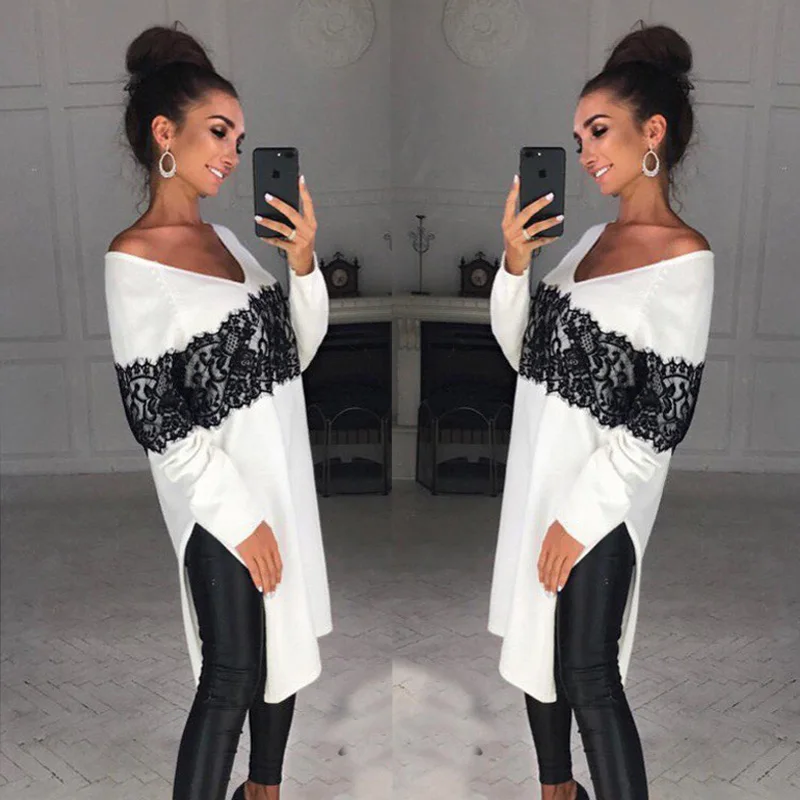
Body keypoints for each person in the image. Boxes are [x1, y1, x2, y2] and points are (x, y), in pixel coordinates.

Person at [104, 23, 332, 800]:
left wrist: (302, 266)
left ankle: (263, 792)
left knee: (280, 659)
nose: (234, 152)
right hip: (222, 501)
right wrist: (241, 517)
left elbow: (291, 355)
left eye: (239, 136)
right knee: (232, 673)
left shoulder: (232, 242)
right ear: (165, 134)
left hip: (281, 484)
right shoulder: (133, 258)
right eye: (218, 131)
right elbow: (155, 419)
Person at [488, 22, 713, 800]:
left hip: (597, 501)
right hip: (538, 483)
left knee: (587, 672)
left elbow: (664, 418)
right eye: (578, 135)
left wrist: (578, 516)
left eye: (599, 130)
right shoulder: (585, 242)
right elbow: (528, 354)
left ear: (652, 133)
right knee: (539, 659)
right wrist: (516, 266)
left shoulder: (684, 258)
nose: (583, 151)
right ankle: (557, 792)